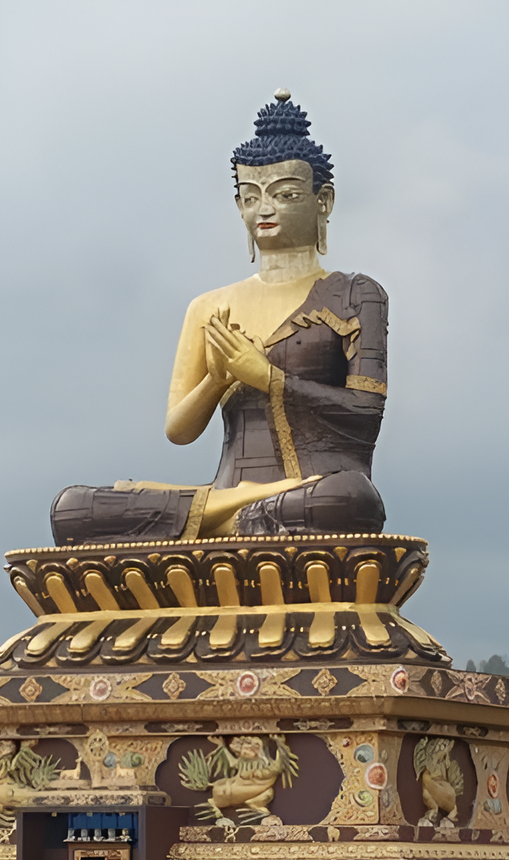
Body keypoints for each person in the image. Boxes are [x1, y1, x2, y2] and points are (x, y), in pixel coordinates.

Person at [51, 91, 389, 545]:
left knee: (351, 500)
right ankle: (237, 508)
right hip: (234, 491)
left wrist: (267, 378)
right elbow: (179, 430)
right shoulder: (209, 306)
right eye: (251, 197)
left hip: (313, 490)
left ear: (323, 200)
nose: (264, 209)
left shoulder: (355, 294)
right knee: (72, 508)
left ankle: (212, 519)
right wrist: (216, 379)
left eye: (285, 195)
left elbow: (365, 412)